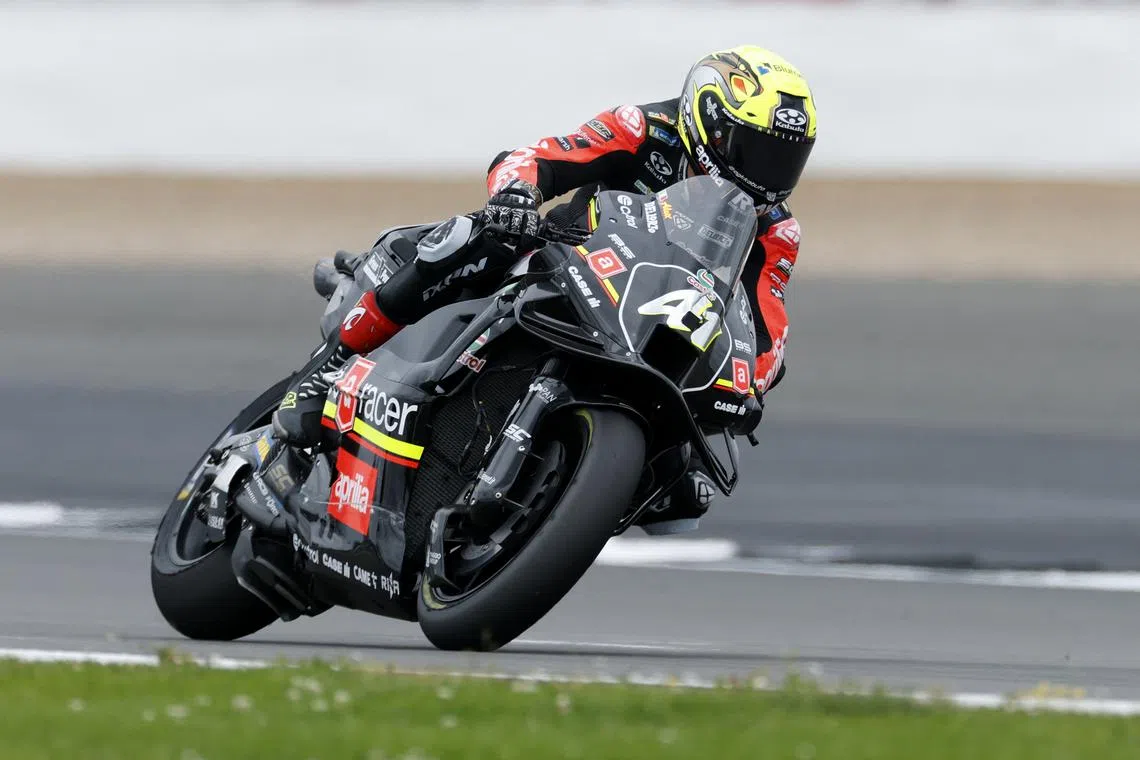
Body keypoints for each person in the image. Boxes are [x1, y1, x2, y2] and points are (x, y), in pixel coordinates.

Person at [273, 45, 817, 530]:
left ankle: (551, 505)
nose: (772, 172)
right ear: (710, 122)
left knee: (689, 485)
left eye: (787, 157)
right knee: (477, 239)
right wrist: (516, 196)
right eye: (757, 150)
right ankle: (329, 365)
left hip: (646, 322)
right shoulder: (644, 128)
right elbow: (536, 157)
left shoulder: (776, 229)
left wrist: (753, 381)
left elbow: (767, 324)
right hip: (568, 259)